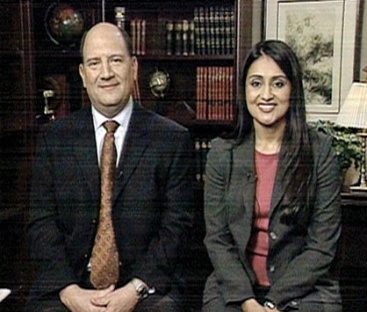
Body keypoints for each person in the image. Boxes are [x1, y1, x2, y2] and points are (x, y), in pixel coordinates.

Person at [26, 22, 194, 312]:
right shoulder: (55, 139)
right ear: (83, 74)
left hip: (145, 288)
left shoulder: (172, 139)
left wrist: (135, 289)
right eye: (94, 63)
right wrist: (70, 292)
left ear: (134, 67)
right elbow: (41, 224)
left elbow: (177, 227)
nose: (106, 73)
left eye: (115, 60)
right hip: (70, 285)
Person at [202, 40, 342, 312]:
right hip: (236, 288)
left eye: (278, 84)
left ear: (293, 90)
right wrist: (248, 301)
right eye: (256, 83)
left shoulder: (319, 152)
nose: (266, 94)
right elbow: (218, 240)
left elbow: (322, 246)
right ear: (244, 91)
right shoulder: (222, 153)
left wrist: (272, 302)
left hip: (303, 289)